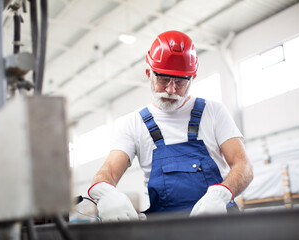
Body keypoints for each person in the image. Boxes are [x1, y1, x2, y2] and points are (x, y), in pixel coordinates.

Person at [87, 30, 253, 221]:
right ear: (149, 73)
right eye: (164, 80)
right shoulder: (133, 124)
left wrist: (222, 193)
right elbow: (108, 171)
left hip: (220, 224)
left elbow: (243, 165)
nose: (171, 90)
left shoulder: (214, 112)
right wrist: (106, 193)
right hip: (166, 230)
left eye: (180, 82)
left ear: (193, 77)